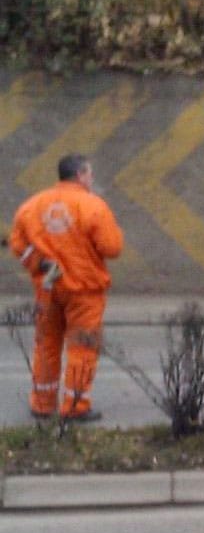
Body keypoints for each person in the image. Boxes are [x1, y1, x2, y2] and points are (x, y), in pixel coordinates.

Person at [7, 154, 123, 421]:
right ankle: (75, 406)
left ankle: (42, 403)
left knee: (46, 344)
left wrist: (38, 263)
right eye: (90, 174)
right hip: (84, 290)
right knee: (82, 346)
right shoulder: (93, 206)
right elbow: (112, 248)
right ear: (81, 175)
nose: (91, 179)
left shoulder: (31, 206)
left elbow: (17, 244)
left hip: (47, 288)